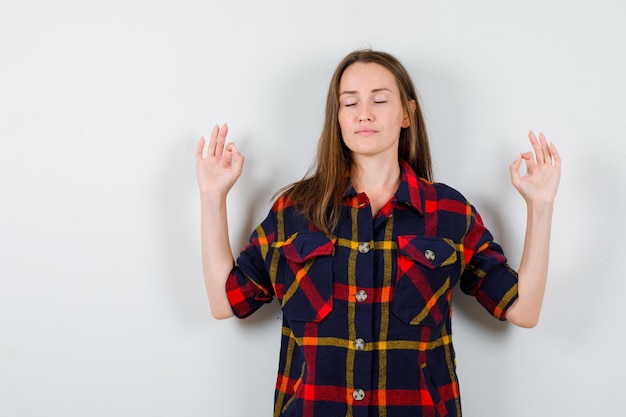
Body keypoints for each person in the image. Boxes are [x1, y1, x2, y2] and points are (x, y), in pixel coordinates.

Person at [195, 49, 561, 417]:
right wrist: (213, 197)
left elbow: (523, 309)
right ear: (337, 117)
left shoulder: (449, 213)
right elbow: (227, 302)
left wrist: (540, 206)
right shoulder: (294, 211)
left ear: (407, 113)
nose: (364, 113)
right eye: (350, 102)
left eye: (380, 99)